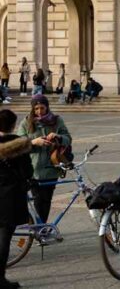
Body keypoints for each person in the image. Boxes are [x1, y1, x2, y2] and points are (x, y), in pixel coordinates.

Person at [19, 95, 71, 224]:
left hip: (51, 167)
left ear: (47, 107)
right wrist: (34, 142)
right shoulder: (26, 122)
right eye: (36, 108)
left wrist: (58, 137)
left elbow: (68, 138)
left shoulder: (57, 120)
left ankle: (41, 227)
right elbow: (19, 144)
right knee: (38, 200)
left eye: (42, 108)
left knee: (46, 200)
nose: (39, 111)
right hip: (33, 169)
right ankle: (39, 227)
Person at [0, 108, 33, 289]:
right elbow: (28, 172)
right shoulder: (19, 144)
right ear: (13, 125)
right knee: (4, 238)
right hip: (9, 197)